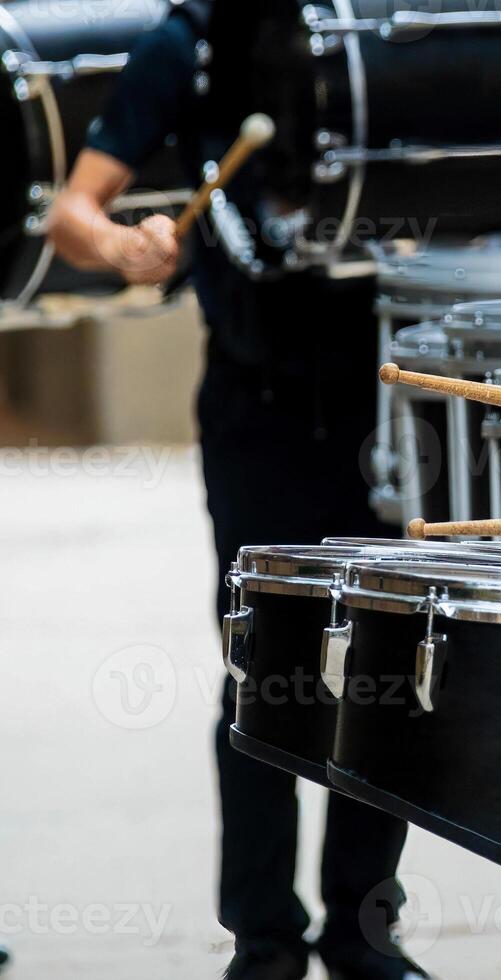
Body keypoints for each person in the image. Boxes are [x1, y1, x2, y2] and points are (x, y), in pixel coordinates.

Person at [46, 4, 427, 979]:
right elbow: (72, 212)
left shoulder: (380, 31)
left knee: (386, 669)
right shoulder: (192, 44)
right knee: (268, 668)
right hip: (254, 401)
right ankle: (264, 940)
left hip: (381, 398)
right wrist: (123, 245)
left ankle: (364, 933)